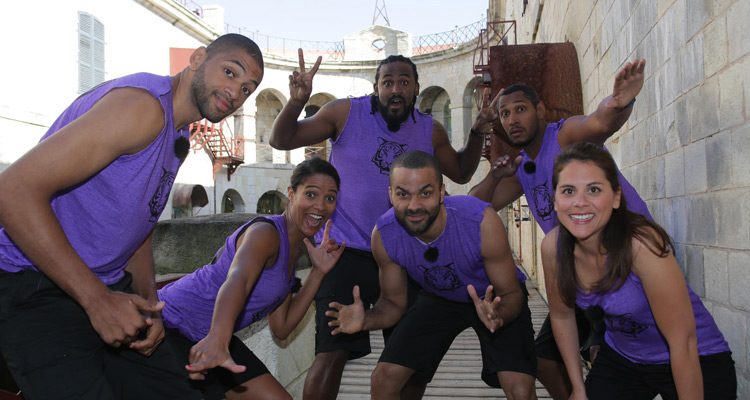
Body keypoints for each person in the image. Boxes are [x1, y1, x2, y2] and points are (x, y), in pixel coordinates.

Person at [0, 34, 264, 399]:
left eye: (248, 88)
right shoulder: (142, 108)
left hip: (109, 288)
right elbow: (11, 191)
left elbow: (140, 224)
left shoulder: (178, 132)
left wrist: (151, 307)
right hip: (37, 282)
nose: (236, 92)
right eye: (230, 73)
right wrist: (97, 301)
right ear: (197, 58)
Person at [270, 49, 501, 399]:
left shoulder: (429, 129)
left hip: (405, 255)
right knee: (331, 351)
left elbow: (461, 171)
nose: (396, 89)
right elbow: (281, 140)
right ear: (375, 86)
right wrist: (295, 102)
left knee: (409, 363)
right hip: (344, 252)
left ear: (416, 89)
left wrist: (475, 134)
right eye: (388, 81)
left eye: (404, 82)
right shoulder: (345, 112)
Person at [468, 59, 651, 399]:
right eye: (504, 114)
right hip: (581, 272)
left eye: (520, 109)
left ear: (540, 110)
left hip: (627, 259)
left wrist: (619, 102)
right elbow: (476, 207)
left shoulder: (563, 136)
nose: (512, 120)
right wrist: (494, 175)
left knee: (606, 355)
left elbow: (598, 124)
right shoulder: (522, 167)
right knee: (543, 360)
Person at [327, 150, 537, 400]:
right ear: (390, 195)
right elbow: (393, 303)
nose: (414, 206)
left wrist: (499, 315)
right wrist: (366, 320)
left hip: (493, 298)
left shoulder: (479, 221)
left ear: (441, 193)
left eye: (425, 193)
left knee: (520, 391)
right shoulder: (384, 235)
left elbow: (511, 292)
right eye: (403, 194)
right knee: (383, 379)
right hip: (439, 297)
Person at [542, 142, 736, 400]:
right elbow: (562, 316)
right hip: (624, 357)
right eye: (568, 191)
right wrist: (578, 388)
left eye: (594, 189)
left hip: (694, 356)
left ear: (616, 198)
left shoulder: (641, 244)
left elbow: (683, 342)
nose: (579, 202)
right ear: (555, 201)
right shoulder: (553, 249)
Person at [158, 158, 345, 400]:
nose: (320, 206)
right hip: (174, 324)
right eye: (311, 194)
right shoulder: (265, 233)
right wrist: (219, 336)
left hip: (214, 336)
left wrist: (318, 272)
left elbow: (282, 326)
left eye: (330, 198)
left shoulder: (292, 251)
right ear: (291, 193)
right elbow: (238, 280)